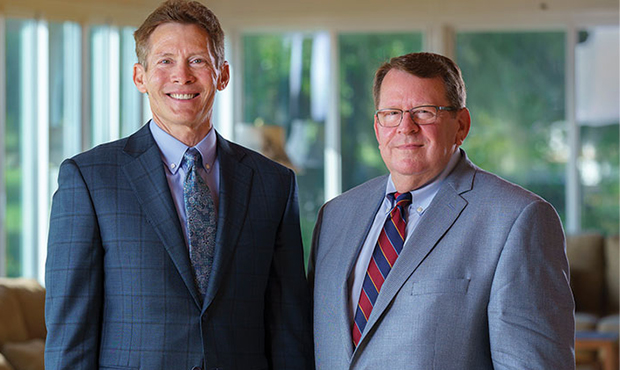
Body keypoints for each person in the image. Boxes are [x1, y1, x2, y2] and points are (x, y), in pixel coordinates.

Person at [44, 1, 313, 369]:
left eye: (198, 60)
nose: (182, 76)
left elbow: (288, 328)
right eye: (165, 60)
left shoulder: (274, 184)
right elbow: (70, 334)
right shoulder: (90, 179)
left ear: (223, 74)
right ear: (140, 76)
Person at [309, 52, 575, 369]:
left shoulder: (517, 218)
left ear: (461, 125)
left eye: (424, 112)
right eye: (392, 113)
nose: (405, 127)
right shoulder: (335, 216)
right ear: (378, 127)